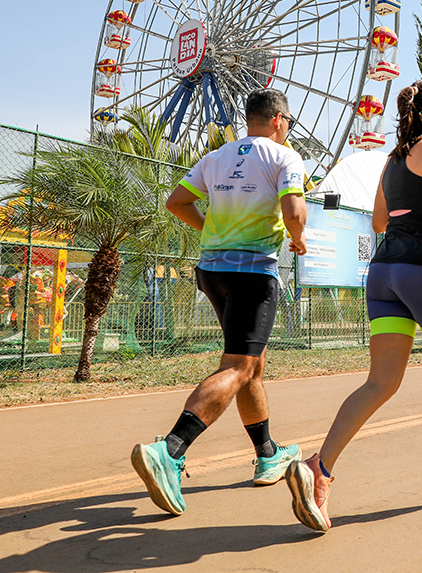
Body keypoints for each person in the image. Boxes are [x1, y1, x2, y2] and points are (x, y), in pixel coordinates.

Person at [285, 79, 422, 533]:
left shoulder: (391, 161)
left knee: (380, 382)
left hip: (385, 272)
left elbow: (377, 220)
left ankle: (320, 468)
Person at [130, 89, 308, 516]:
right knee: (239, 366)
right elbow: (294, 210)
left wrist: (212, 227)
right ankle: (169, 450)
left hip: (212, 270)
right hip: (252, 272)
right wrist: (298, 237)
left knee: (251, 364)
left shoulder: (217, 157)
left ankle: (267, 453)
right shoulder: (285, 158)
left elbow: (177, 203)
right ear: (280, 121)